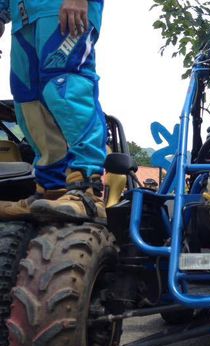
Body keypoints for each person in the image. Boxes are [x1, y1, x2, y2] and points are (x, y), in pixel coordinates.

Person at [0, 0, 107, 223]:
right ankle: (52, 189)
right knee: (28, 100)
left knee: (64, 87)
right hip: (23, 16)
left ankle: (86, 188)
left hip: (61, 8)